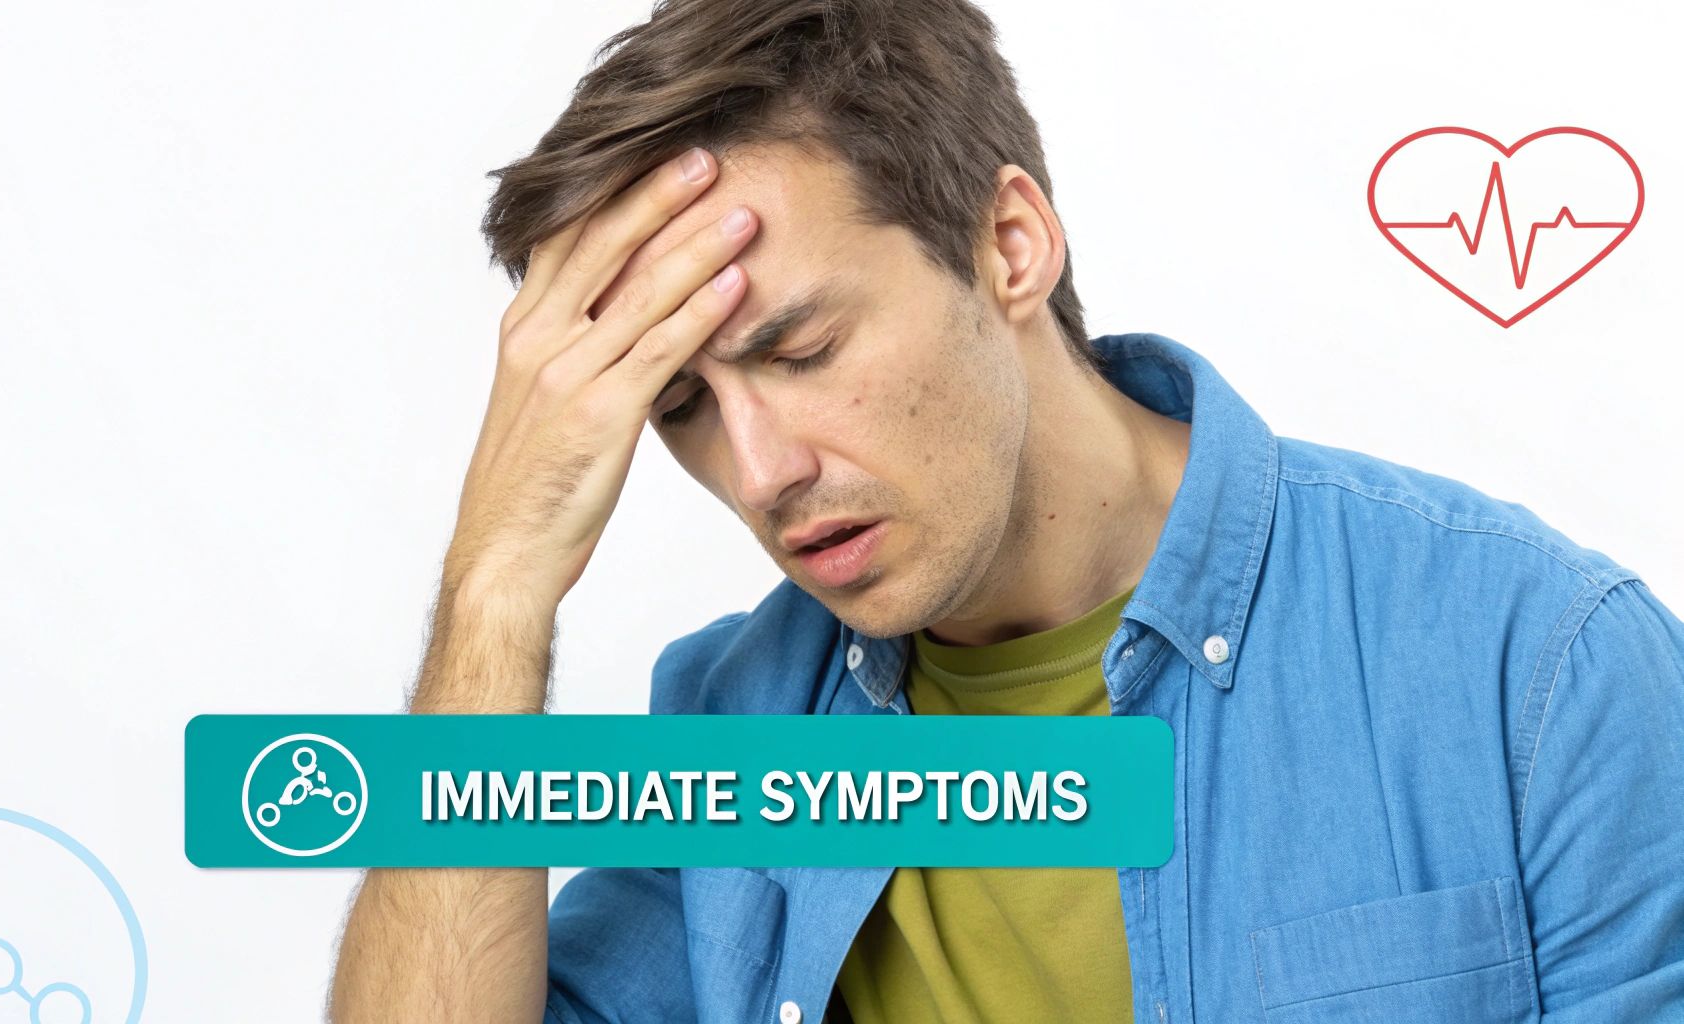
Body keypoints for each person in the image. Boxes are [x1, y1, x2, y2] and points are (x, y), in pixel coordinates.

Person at [327, 0, 1684, 1020]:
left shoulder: (1536, 667)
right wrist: (497, 585)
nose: (760, 468)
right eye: (677, 407)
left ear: (1011, 245)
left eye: (802, 351)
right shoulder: (742, 733)